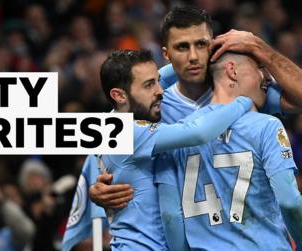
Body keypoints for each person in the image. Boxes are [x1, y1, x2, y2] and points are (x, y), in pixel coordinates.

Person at [90, 6, 302, 209]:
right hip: (188, 241)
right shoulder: (153, 104)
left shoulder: (240, 88)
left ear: (213, 45)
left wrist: (260, 48)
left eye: (201, 44)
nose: (193, 56)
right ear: (166, 54)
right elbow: (112, 133)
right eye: (182, 47)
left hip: (255, 231)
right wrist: (94, 189)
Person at [94, 49, 256, 251]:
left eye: (158, 82)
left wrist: (211, 51)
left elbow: (170, 72)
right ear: (119, 95)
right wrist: (244, 101)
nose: (161, 91)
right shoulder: (128, 132)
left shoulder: (111, 123)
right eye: (149, 85)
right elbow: (196, 133)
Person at [156, 51, 302, 251]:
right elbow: (289, 201)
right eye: (259, 68)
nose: (268, 77)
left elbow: (171, 216)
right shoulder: (266, 126)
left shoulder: (177, 134)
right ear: (232, 71)